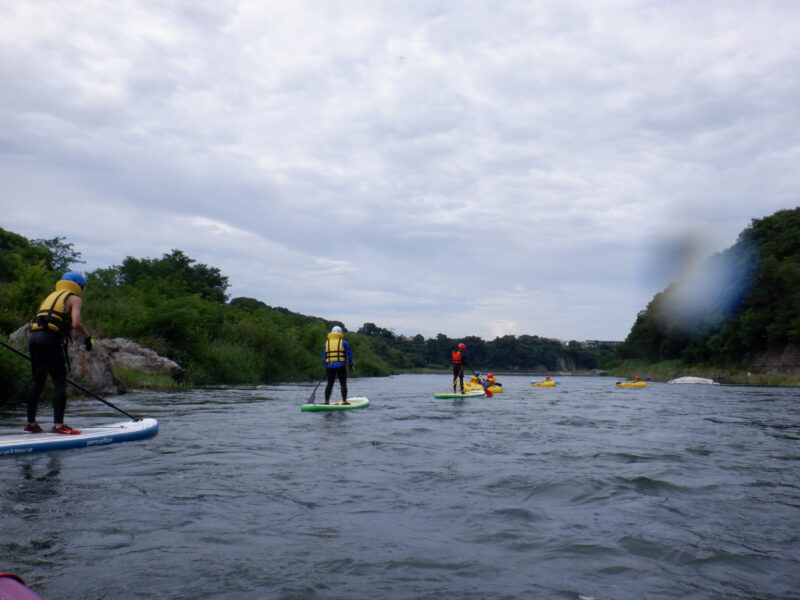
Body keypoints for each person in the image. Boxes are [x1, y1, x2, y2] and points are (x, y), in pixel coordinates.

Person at [25, 272, 93, 435]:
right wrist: (88, 337)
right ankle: (58, 426)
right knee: (59, 382)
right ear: (78, 286)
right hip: (50, 340)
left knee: (38, 383)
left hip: (34, 339)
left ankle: (30, 424)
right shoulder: (75, 298)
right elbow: (76, 323)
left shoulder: (49, 297)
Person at [321, 325, 353, 405]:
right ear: (340, 333)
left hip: (329, 367)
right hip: (341, 365)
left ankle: (326, 401)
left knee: (329, 383)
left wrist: (325, 365)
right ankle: (344, 401)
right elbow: (349, 354)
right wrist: (351, 364)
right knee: (343, 383)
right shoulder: (344, 342)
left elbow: (324, 356)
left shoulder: (326, 343)